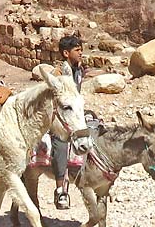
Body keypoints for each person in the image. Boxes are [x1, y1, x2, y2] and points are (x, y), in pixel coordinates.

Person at [49, 34, 90, 209]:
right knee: (60, 143)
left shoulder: (78, 70)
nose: (81, 53)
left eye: (81, 50)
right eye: (77, 50)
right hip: (59, 115)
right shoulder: (57, 74)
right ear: (66, 53)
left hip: (73, 113)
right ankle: (60, 189)